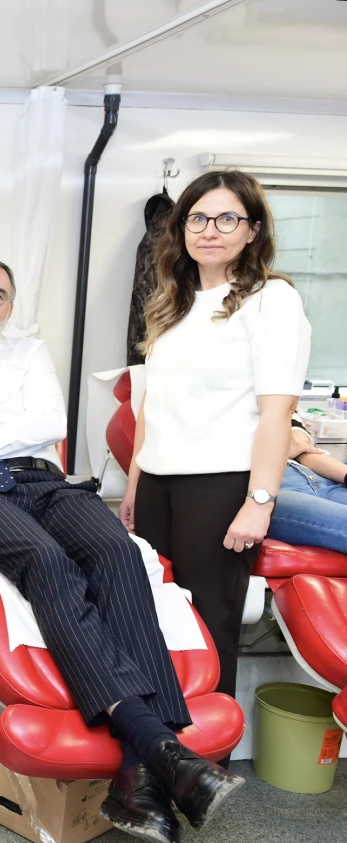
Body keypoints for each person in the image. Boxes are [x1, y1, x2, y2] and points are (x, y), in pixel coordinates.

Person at [0, 257, 242, 843]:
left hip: (44, 481)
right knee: (46, 561)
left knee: (119, 552)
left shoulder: (30, 354)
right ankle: (162, 749)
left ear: (10, 307)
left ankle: (138, 776)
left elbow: (48, 422)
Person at [121, 170, 311, 707]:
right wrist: (134, 485)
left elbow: (277, 412)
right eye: (198, 218)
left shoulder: (271, 300)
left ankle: (208, 747)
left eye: (227, 218)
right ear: (181, 227)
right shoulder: (171, 302)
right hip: (157, 483)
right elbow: (152, 407)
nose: (209, 230)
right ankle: (158, 742)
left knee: (209, 625)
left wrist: (260, 502)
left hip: (221, 485)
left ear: (253, 230)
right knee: (158, 618)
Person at [266, 414, 347, 554]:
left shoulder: (284, 411)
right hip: (276, 489)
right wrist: (281, 451)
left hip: (323, 480)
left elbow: (305, 451)